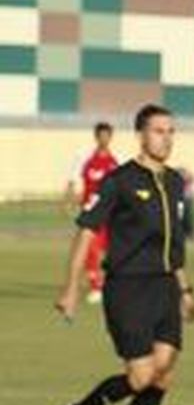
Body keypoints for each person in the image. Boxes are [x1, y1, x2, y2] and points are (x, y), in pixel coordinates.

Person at [54, 103, 194, 405]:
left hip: (165, 286)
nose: (165, 138)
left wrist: (185, 290)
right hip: (127, 288)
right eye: (158, 131)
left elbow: (173, 243)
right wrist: (71, 287)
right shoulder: (119, 180)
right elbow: (86, 231)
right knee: (140, 377)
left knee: (163, 372)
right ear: (141, 134)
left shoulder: (175, 181)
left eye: (170, 131)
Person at [65, 121, 119, 305]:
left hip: (108, 213)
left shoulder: (114, 161)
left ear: (111, 137)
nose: (104, 139)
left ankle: (102, 284)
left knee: (104, 250)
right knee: (89, 248)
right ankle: (96, 285)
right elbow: (73, 180)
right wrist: (69, 200)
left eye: (107, 135)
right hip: (89, 212)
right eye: (101, 135)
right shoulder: (84, 158)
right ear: (96, 136)